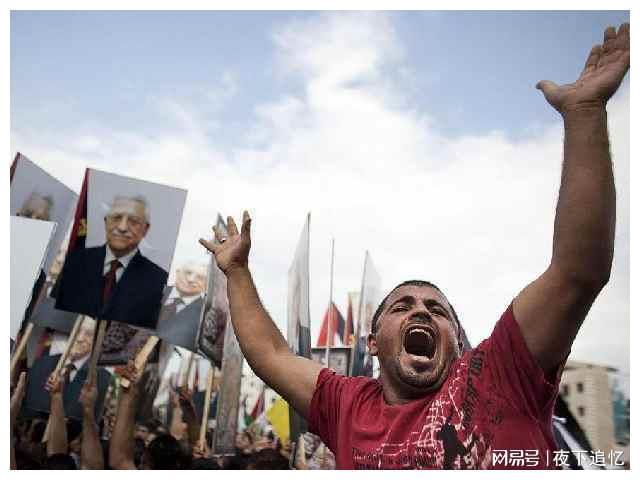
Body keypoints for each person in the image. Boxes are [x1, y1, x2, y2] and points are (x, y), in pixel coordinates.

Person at [199, 24, 630, 470]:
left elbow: (577, 274)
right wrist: (237, 272)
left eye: (438, 310)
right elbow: (270, 355)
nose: (421, 311)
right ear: (372, 342)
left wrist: (584, 113)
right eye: (402, 306)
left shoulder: (497, 376)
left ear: (459, 345)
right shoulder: (346, 406)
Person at [53, 195, 168, 330]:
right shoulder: (74, 262)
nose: (122, 227)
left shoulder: (158, 280)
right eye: (116, 218)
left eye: (134, 221)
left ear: (145, 229)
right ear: (106, 221)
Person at [23, 318, 111, 422]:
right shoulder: (41, 364)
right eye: (77, 331)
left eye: (88, 334)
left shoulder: (101, 378)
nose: (80, 338)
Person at [155, 261, 207, 349]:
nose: (191, 279)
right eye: (188, 273)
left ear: (206, 284)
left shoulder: (205, 315)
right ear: (178, 272)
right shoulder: (155, 292)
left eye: (200, 277)